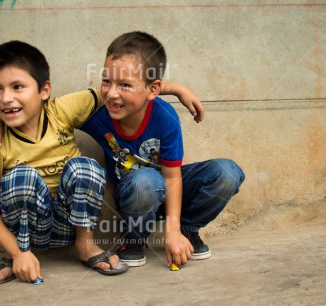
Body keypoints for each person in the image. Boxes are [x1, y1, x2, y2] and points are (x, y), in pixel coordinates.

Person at [0, 40, 204, 284]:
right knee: (22, 177)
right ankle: (18, 256)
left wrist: (177, 89)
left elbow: (124, 91)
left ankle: (86, 246)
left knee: (85, 167)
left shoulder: (61, 110)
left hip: (69, 226)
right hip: (26, 234)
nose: (6, 98)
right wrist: (18, 252)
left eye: (17, 87)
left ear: (44, 90)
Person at [79, 31, 245, 268]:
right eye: (107, 81)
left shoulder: (165, 117)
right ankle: (134, 238)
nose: (112, 92)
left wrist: (173, 231)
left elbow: (171, 176)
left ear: (153, 89)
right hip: (135, 196)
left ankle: (186, 232)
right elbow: (50, 110)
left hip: (167, 189)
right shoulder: (98, 112)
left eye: (125, 84)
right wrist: (4, 119)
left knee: (227, 173)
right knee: (146, 180)